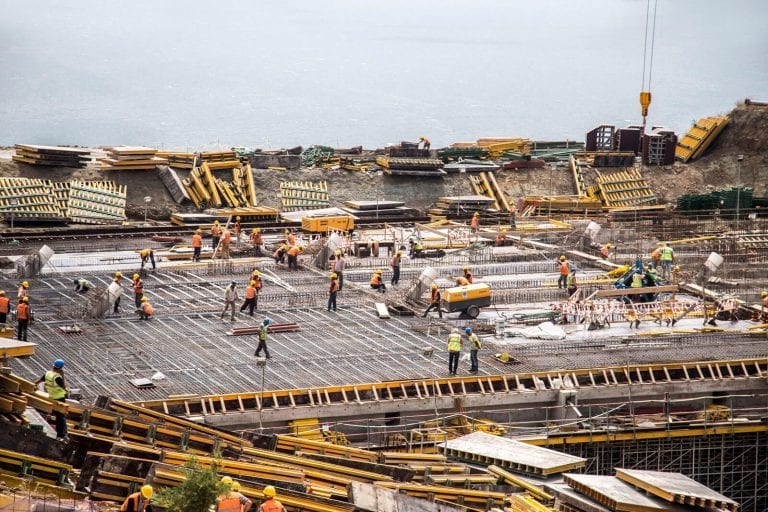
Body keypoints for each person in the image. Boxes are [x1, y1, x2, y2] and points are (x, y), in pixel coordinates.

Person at [35, 359, 68, 440]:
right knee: (61, 417)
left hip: (51, 397)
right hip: (59, 398)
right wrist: (62, 375)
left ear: (53, 365)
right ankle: (61, 435)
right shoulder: (57, 377)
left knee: (57, 415)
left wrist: (32, 385)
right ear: (61, 368)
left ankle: (61, 433)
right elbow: (64, 386)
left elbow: (39, 381)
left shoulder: (47, 373)